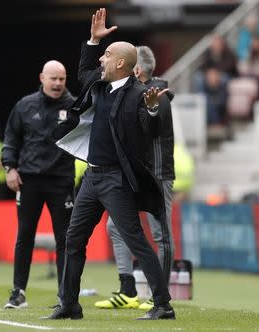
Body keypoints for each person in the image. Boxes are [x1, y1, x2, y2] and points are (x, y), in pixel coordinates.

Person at [46, 8, 174, 320]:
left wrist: (154, 109)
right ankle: (69, 304)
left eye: (106, 55)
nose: (101, 60)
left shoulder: (140, 94)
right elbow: (84, 70)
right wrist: (93, 40)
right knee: (73, 239)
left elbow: (150, 130)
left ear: (120, 63)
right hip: (92, 177)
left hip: (117, 180)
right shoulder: (100, 85)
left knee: (136, 242)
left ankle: (163, 305)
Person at [94, 45, 175, 311]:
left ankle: (158, 294)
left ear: (137, 70)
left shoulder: (157, 95)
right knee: (115, 228)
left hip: (157, 174)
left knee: (159, 233)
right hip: (133, 172)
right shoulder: (128, 93)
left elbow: (150, 131)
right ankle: (127, 289)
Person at [1, 60, 76, 308]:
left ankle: (65, 296)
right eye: (53, 78)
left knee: (65, 239)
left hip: (61, 181)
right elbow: (11, 138)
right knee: (24, 236)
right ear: (42, 78)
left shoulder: (74, 106)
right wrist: (10, 167)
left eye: (62, 79)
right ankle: (18, 292)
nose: (57, 84)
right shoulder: (25, 105)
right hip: (29, 180)